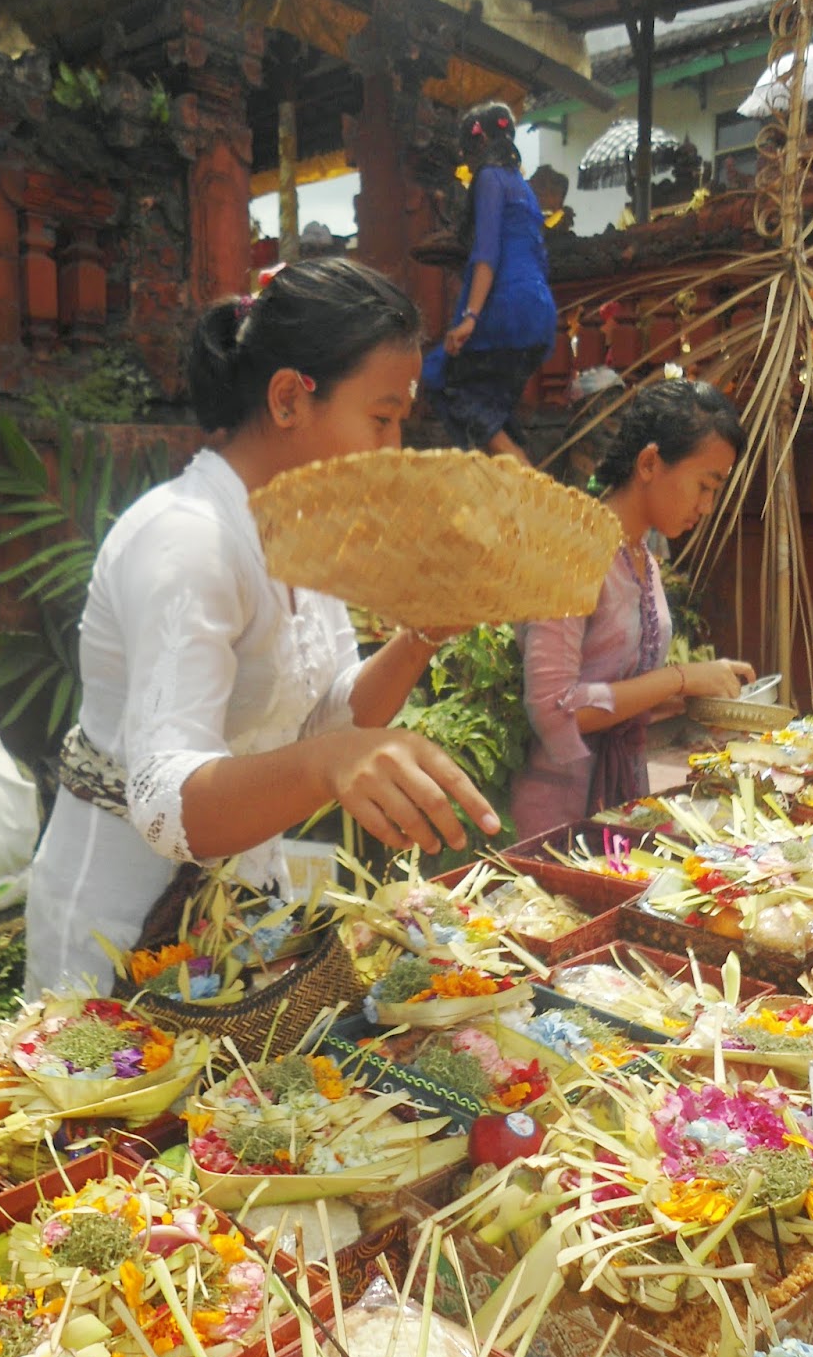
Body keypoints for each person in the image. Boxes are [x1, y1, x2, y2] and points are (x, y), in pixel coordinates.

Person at [26, 258, 501, 996]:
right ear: (288, 399)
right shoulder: (187, 539)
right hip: (118, 928)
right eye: (380, 419)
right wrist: (328, 764)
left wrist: (422, 636)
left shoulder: (299, 531)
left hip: (238, 910)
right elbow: (166, 801)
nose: (393, 451)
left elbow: (332, 714)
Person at [510, 377, 756, 839]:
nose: (706, 506)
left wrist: (700, 691)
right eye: (704, 485)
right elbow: (555, 710)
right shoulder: (572, 551)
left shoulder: (642, 558)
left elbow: (620, 687)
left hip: (619, 798)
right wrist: (681, 678)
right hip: (559, 814)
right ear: (649, 463)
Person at [421, 102, 557, 464]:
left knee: (445, 379)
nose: (468, 166)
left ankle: (526, 480)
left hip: (505, 309)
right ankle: (517, 479)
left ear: (478, 144)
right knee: (495, 410)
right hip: (539, 312)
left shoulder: (489, 179)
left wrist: (470, 317)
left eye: (467, 156)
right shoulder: (523, 187)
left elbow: (486, 252)